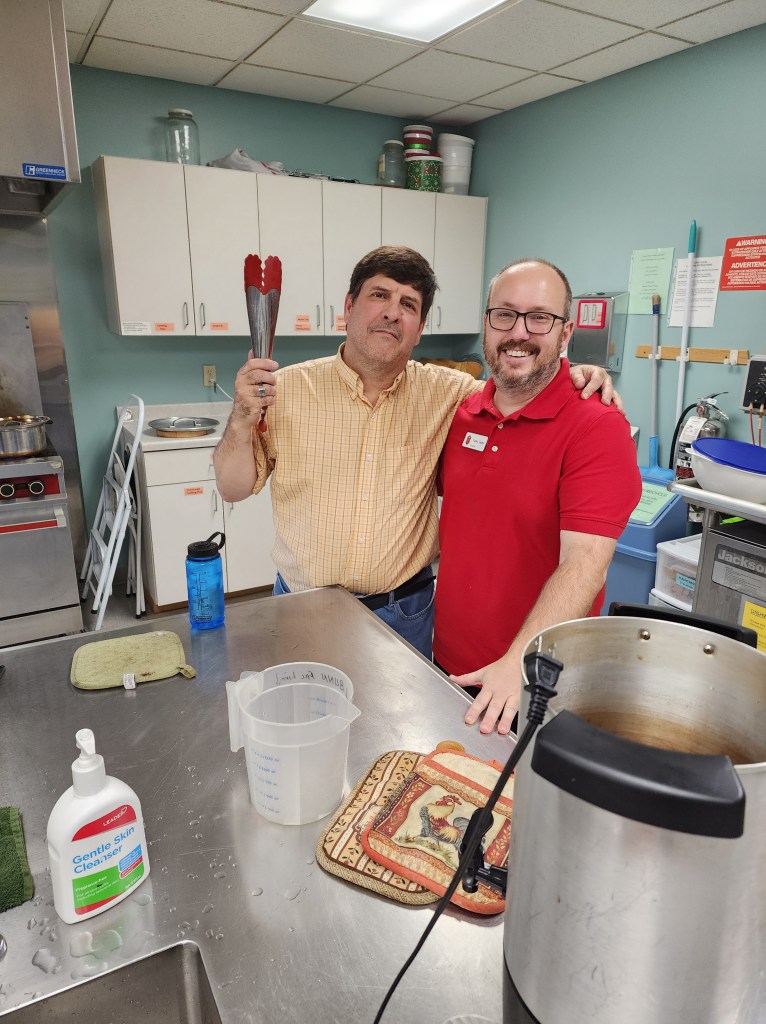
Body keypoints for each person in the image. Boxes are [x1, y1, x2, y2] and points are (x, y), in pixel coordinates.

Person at [213, 246, 617, 659]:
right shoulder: (285, 390)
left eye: (408, 304)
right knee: (305, 718)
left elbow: (521, 383)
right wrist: (242, 418)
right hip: (301, 607)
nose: (392, 312)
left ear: (419, 328)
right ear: (348, 307)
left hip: (403, 615)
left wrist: (577, 374)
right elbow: (232, 488)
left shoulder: (451, 395)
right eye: (379, 295)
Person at [433, 258, 642, 734]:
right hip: (448, 661)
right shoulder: (463, 412)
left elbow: (586, 563)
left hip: (537, 680)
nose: (518, 332)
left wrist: (516, 661)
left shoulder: (596, 426)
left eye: (539, 318)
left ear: (565, 333)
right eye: (504, 314)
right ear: (486, 324)